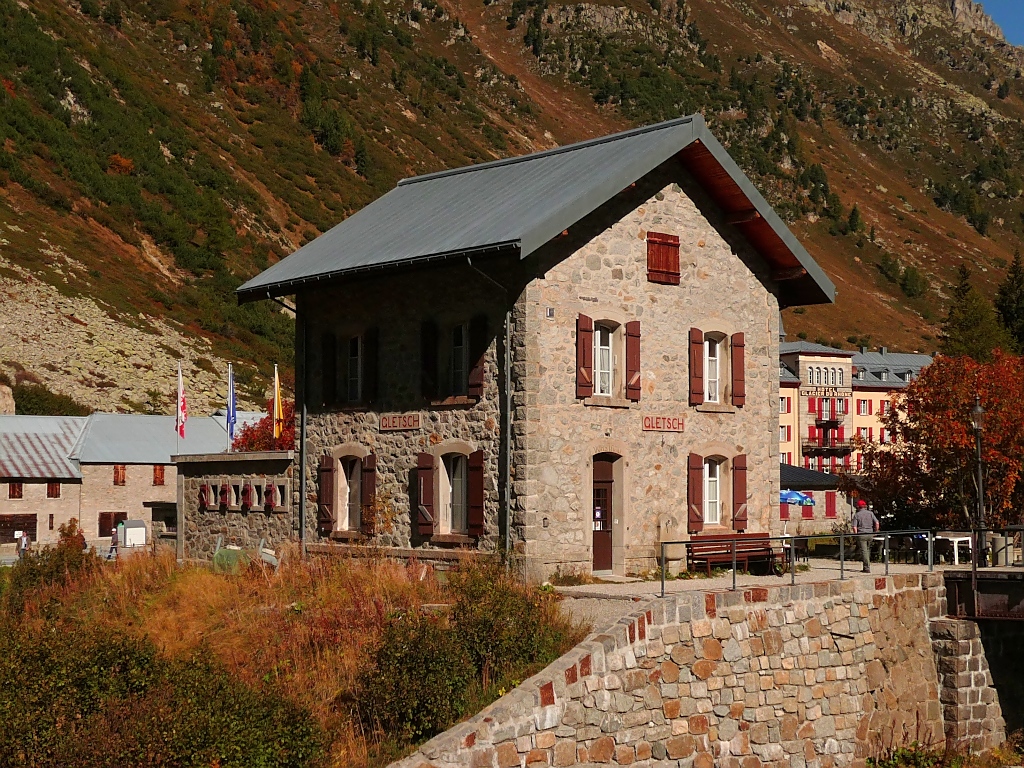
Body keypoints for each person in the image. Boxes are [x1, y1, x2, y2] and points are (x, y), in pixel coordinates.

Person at [852, 499, 880, 573]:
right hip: (870, 534)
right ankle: (867, 565)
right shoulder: (870, 513)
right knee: (868, 550)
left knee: (864, 551)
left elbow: (854, 527)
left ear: (858, 507)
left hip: (862, 534)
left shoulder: (857, 515)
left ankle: (866, 567)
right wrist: (875, 532)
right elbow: (877, 523)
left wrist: (856, 535)